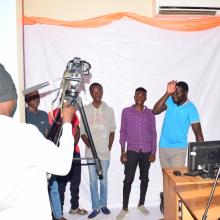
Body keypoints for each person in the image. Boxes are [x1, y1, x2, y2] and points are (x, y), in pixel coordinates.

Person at [0, 63, 75, 220]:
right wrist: (68, 122)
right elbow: (62, 165)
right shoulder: (24, 134)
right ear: (12, 98)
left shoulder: (39, 119)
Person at [152, 80, 204, 213]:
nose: (174, 95)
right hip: (163, 146)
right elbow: (155, 111)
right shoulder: (170, 100)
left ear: (186, 93)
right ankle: (166, 198)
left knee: (177, 179)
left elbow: (198, 133)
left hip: (179, 149)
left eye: (178, 92)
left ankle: (175, 206)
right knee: (166, 178)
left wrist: (202, 156)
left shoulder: (191, 109)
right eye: (174, 92)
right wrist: (167, 93)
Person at [116, 87, 157, 220]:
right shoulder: (126, 112)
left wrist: (153, 152)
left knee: (144, 178)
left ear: (145, 98)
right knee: (128, 180)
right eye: (137, 95)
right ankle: (124, 207)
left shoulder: (150, 113)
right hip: (132, 150)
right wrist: (123, 151)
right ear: (134, 97)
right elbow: (123, 132)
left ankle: (141, 203)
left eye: (142, 95)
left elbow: (153, 134)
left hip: (146, 151)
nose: (140, 97)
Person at [25, 90, 66, 220]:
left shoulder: (43, 114)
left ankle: (58, 216)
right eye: (32, 97)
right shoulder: (23, 115)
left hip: (46, 156)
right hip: (31, 158)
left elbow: (49, 133)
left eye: (37, 97)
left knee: (53, 187)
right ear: (26, 100)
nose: (36, 100)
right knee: (36, 190)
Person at [81, 82, 116, 219]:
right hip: (91, 154)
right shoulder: (85, 109)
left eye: (99, 91)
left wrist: (109, 146)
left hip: (104, 153)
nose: (97, 94)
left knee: (104, 181)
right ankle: (95, 207)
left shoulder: (109, 110)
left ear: (102, 92)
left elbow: (112, 130)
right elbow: (82, 131)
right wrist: (89, 145)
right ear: (91, 94)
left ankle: (103, 205)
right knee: (92, 181)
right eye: (95, 92)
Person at [48, 108, 88, 216]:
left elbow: (77, 132)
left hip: (75, 152)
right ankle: (58, 212)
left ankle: (74, 207)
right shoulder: (53, 114)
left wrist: (71, 147)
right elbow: (52, 133)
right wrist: (64, 150)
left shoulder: (73, 113)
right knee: (61, 184)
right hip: (60, 153)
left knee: (75, 183)